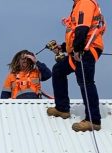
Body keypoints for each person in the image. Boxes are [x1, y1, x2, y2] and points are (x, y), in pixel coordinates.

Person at [47, 0, 105, 132]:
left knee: (85, 81)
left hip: (87, 48)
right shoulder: (79, 4)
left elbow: (83, 28)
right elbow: (76, 32)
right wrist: (62, 47)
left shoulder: (84, 2)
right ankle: (62, 108)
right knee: (58, 70)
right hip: (81, 47)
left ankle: (93, 120)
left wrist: (78, 50)